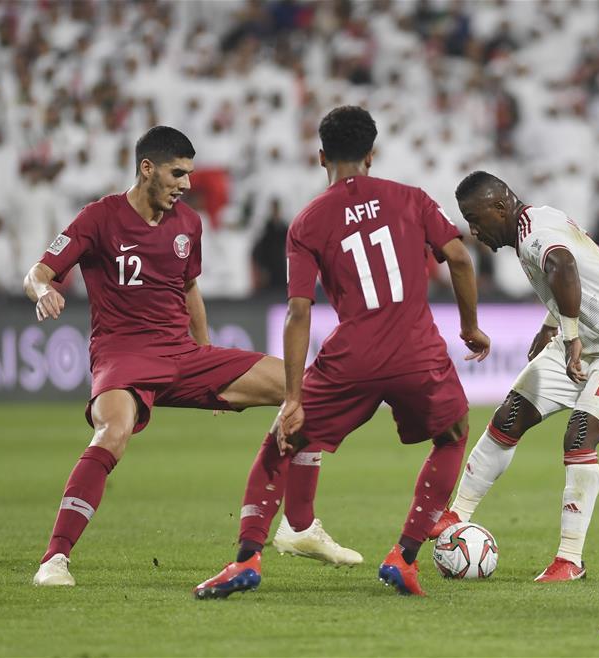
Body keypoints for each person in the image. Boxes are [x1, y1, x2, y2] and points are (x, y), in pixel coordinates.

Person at [26, 126, 357, 587]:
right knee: (112, 431)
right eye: (177, 173)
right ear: (147, 169)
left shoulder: (188, 224)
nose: (186, 184)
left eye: (189, 174)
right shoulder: (99, 217)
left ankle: (299, 525)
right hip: (122, 354)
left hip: (181, 355)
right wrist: (44, 291)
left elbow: (188, 289)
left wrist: (204, 350)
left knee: (304, 387)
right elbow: (39, 271)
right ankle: (54, 560)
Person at [194, 106, 490, 599]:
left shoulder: (308, 222)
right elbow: (459, 256)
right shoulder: (411, 198)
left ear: (321, 157)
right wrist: (471, 327)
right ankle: (405, 555)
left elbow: (298, 312)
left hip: (352, 357)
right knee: (453, 434)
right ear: (372, 154)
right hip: (418, 350)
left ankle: (246, 558)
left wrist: (292, 397)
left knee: (281, 443)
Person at [430, 171, 599, 581]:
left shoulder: (536, 235)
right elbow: (580, 272)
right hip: (580, 338)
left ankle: (569, 560)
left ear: (500, 207)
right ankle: (455, 515)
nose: (473, 229)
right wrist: (552, 323)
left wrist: (568, 333)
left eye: (475, 217)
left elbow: (564, 264)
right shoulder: (538, 221)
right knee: (509, 417)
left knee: (579, 435)